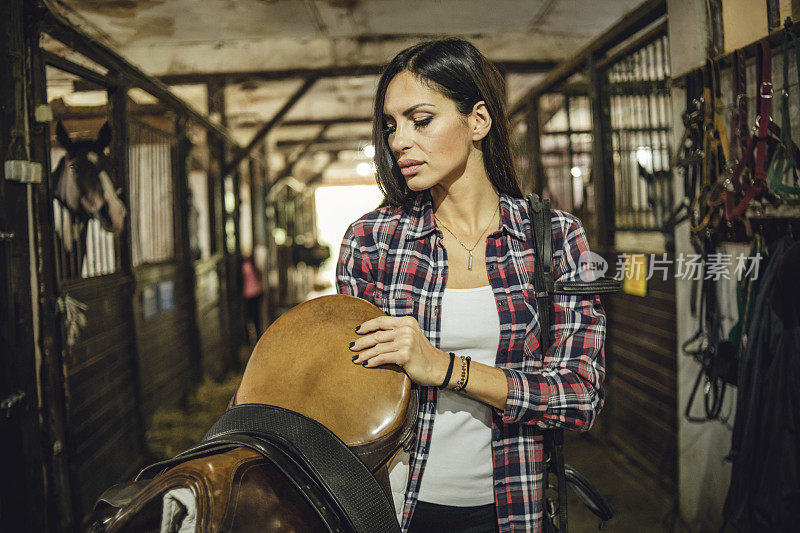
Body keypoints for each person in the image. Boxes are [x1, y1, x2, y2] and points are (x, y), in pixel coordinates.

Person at [336, 38, 606, 533]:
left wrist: (445, 368)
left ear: (478, 121)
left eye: (421, 120)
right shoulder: (371, 241)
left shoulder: (554, 237)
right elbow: (354, 397)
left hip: (513, 507)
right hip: (397, 508)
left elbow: (579, 396)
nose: (399, 141)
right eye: (391, 126)